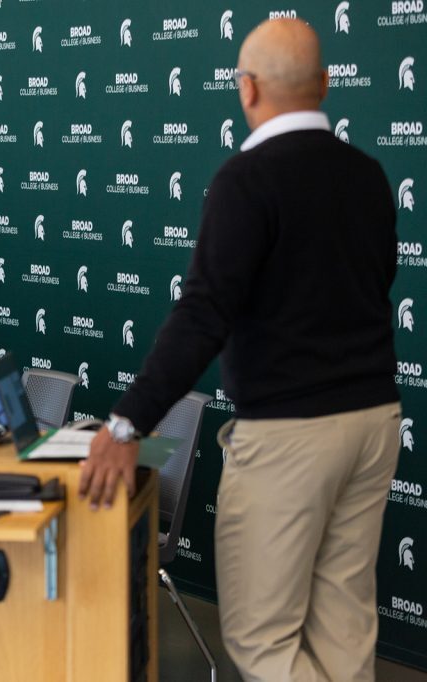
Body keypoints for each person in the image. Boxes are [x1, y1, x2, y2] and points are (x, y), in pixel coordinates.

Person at [78, 19, 400, 682]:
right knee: (345, 634)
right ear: (327, 84)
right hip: (374, 424)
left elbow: (202, 317)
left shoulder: (245, 180)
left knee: (261, 640)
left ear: (246, 89)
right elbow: (379, 281)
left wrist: (124, 423)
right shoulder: (368, 175)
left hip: (290, 436)